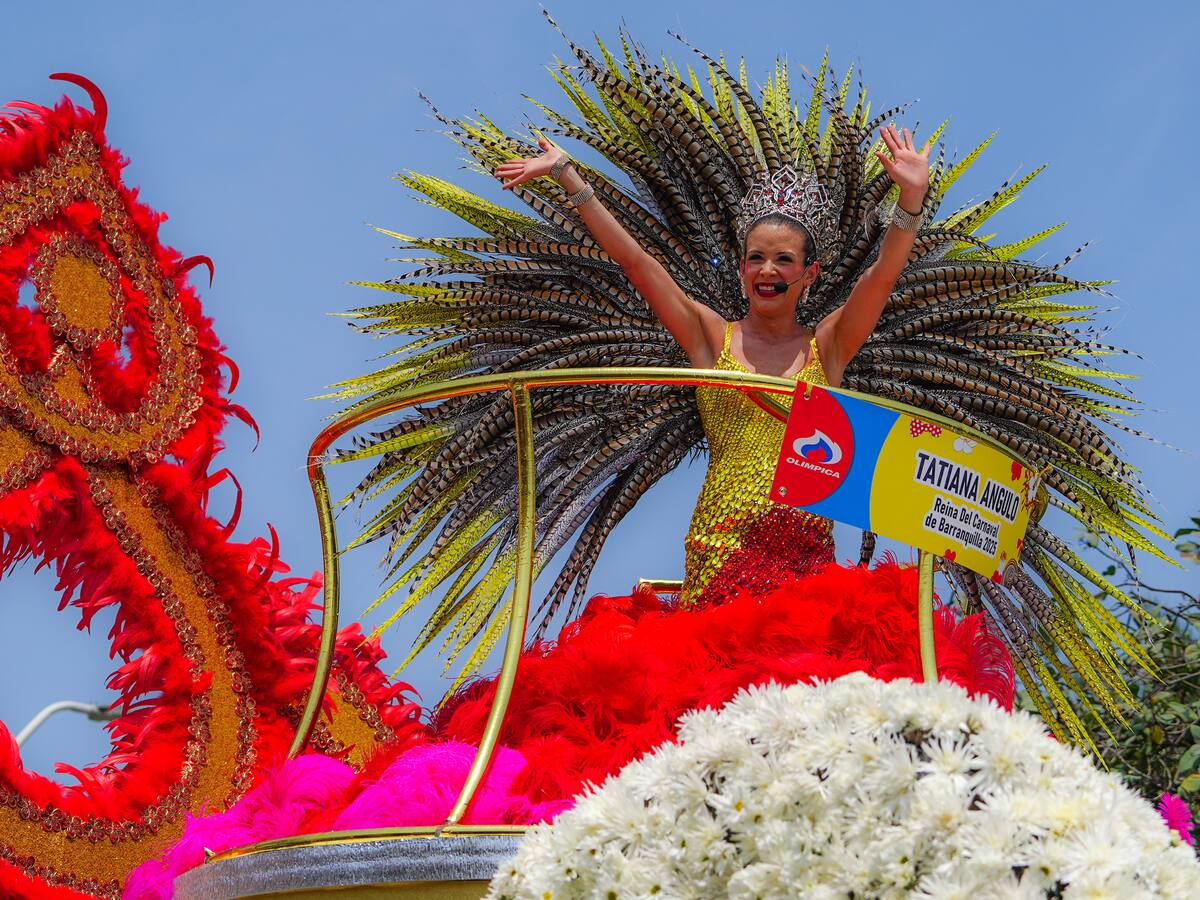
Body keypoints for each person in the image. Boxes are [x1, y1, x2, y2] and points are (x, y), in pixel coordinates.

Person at [495, 125, 931, 605]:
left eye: (784, 260)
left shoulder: (828, 346)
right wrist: (569, 177)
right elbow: (637, 263)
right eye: (756, 258)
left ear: (809, 274)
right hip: (721, 548)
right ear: (742, 269)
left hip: (806, 562)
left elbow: (880, 277)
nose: (768, 271)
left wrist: (911, 199)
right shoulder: (710, 336)